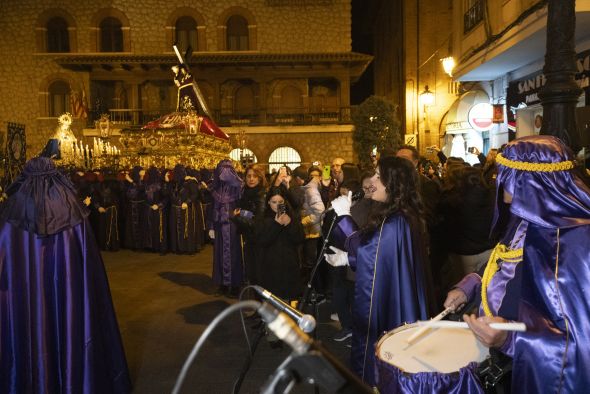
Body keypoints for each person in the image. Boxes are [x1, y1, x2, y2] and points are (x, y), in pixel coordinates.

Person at [451, 135, 590, 393]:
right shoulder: (523, 218)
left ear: (537, 185)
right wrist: (468, 285)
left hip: (525, 370)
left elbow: (579, 348)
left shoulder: (580, 244)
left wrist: (509, 339)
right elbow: (502, 261)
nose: (504, 196)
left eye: (511, 183)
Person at [0, 157, 131, 393]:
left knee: (30, 331)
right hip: (68, 293)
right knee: (70, 324)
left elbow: (5, 256)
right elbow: (88, 261)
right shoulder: (70, 206)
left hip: (25, 297)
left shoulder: (14, 208)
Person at [328, 156, 434, 386]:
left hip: (390, 304)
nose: (372, 180)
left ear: (393, 183)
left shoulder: (396, 221)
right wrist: (348, 258)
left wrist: (345, 218)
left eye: (378, 176)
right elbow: (381, 258)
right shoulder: (399, 216)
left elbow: (371, 253)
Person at [207, 159, 244, 297]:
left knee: (234, 255)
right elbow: (212, 208)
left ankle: (235, 285)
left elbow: (243, 206)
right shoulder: (215, 188)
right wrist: (211, 226)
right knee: (219, 255)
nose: (224, 173)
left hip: (234, 227)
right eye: (221, 170)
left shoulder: (239, 187)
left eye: (227, 170)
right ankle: (222, 284)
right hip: (219, 226)